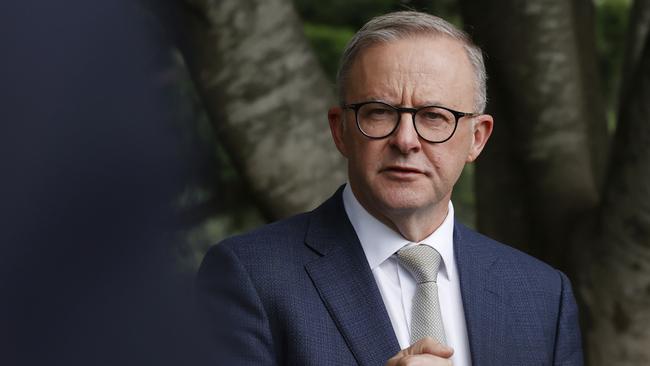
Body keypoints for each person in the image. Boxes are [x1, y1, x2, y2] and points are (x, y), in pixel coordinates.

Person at [197, 11, 583, 366]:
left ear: (476, 139)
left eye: (434, 117)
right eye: (379, 112)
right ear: (340, 130)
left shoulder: (543, 295)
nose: (406, 140)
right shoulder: (251, 277)